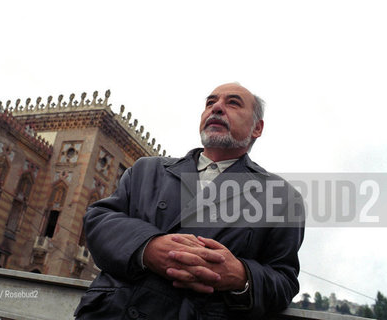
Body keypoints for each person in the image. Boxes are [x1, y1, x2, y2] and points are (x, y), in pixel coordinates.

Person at [74, 83, 305, 319]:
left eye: (233, 103)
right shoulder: (147, 169)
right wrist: (148, 248)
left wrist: (241, 276)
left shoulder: (280, 196)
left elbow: (284, 281)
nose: (216, 107)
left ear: (257, 128)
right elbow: (98, 221)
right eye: (210, 102)